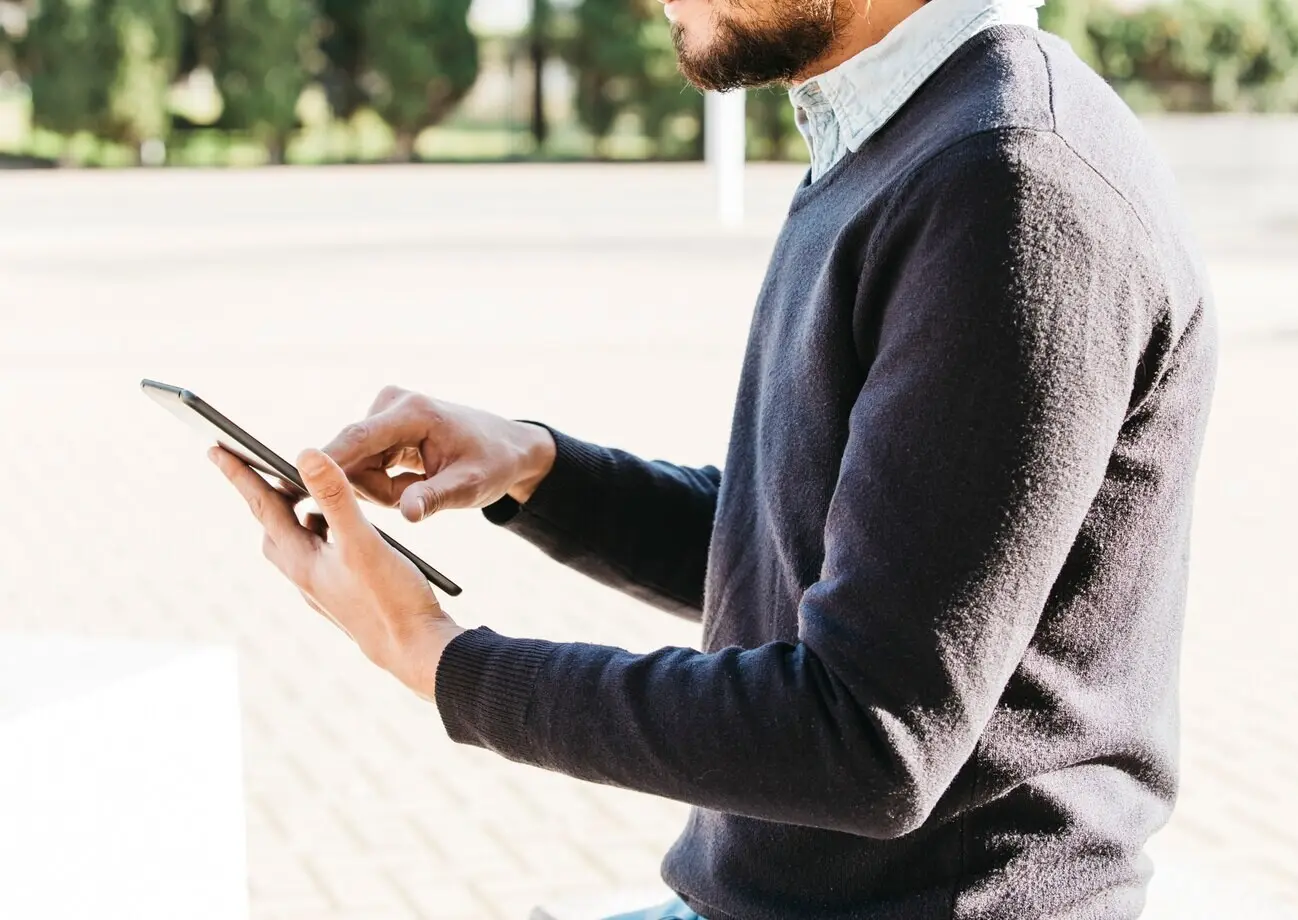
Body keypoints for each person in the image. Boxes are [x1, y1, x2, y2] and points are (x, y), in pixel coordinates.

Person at [209, 0, 1218, 915]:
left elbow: (868, 737)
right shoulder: (905, 137)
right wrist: (535, 466)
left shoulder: (1014, 183)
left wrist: (435, 655)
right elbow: (816, 553)